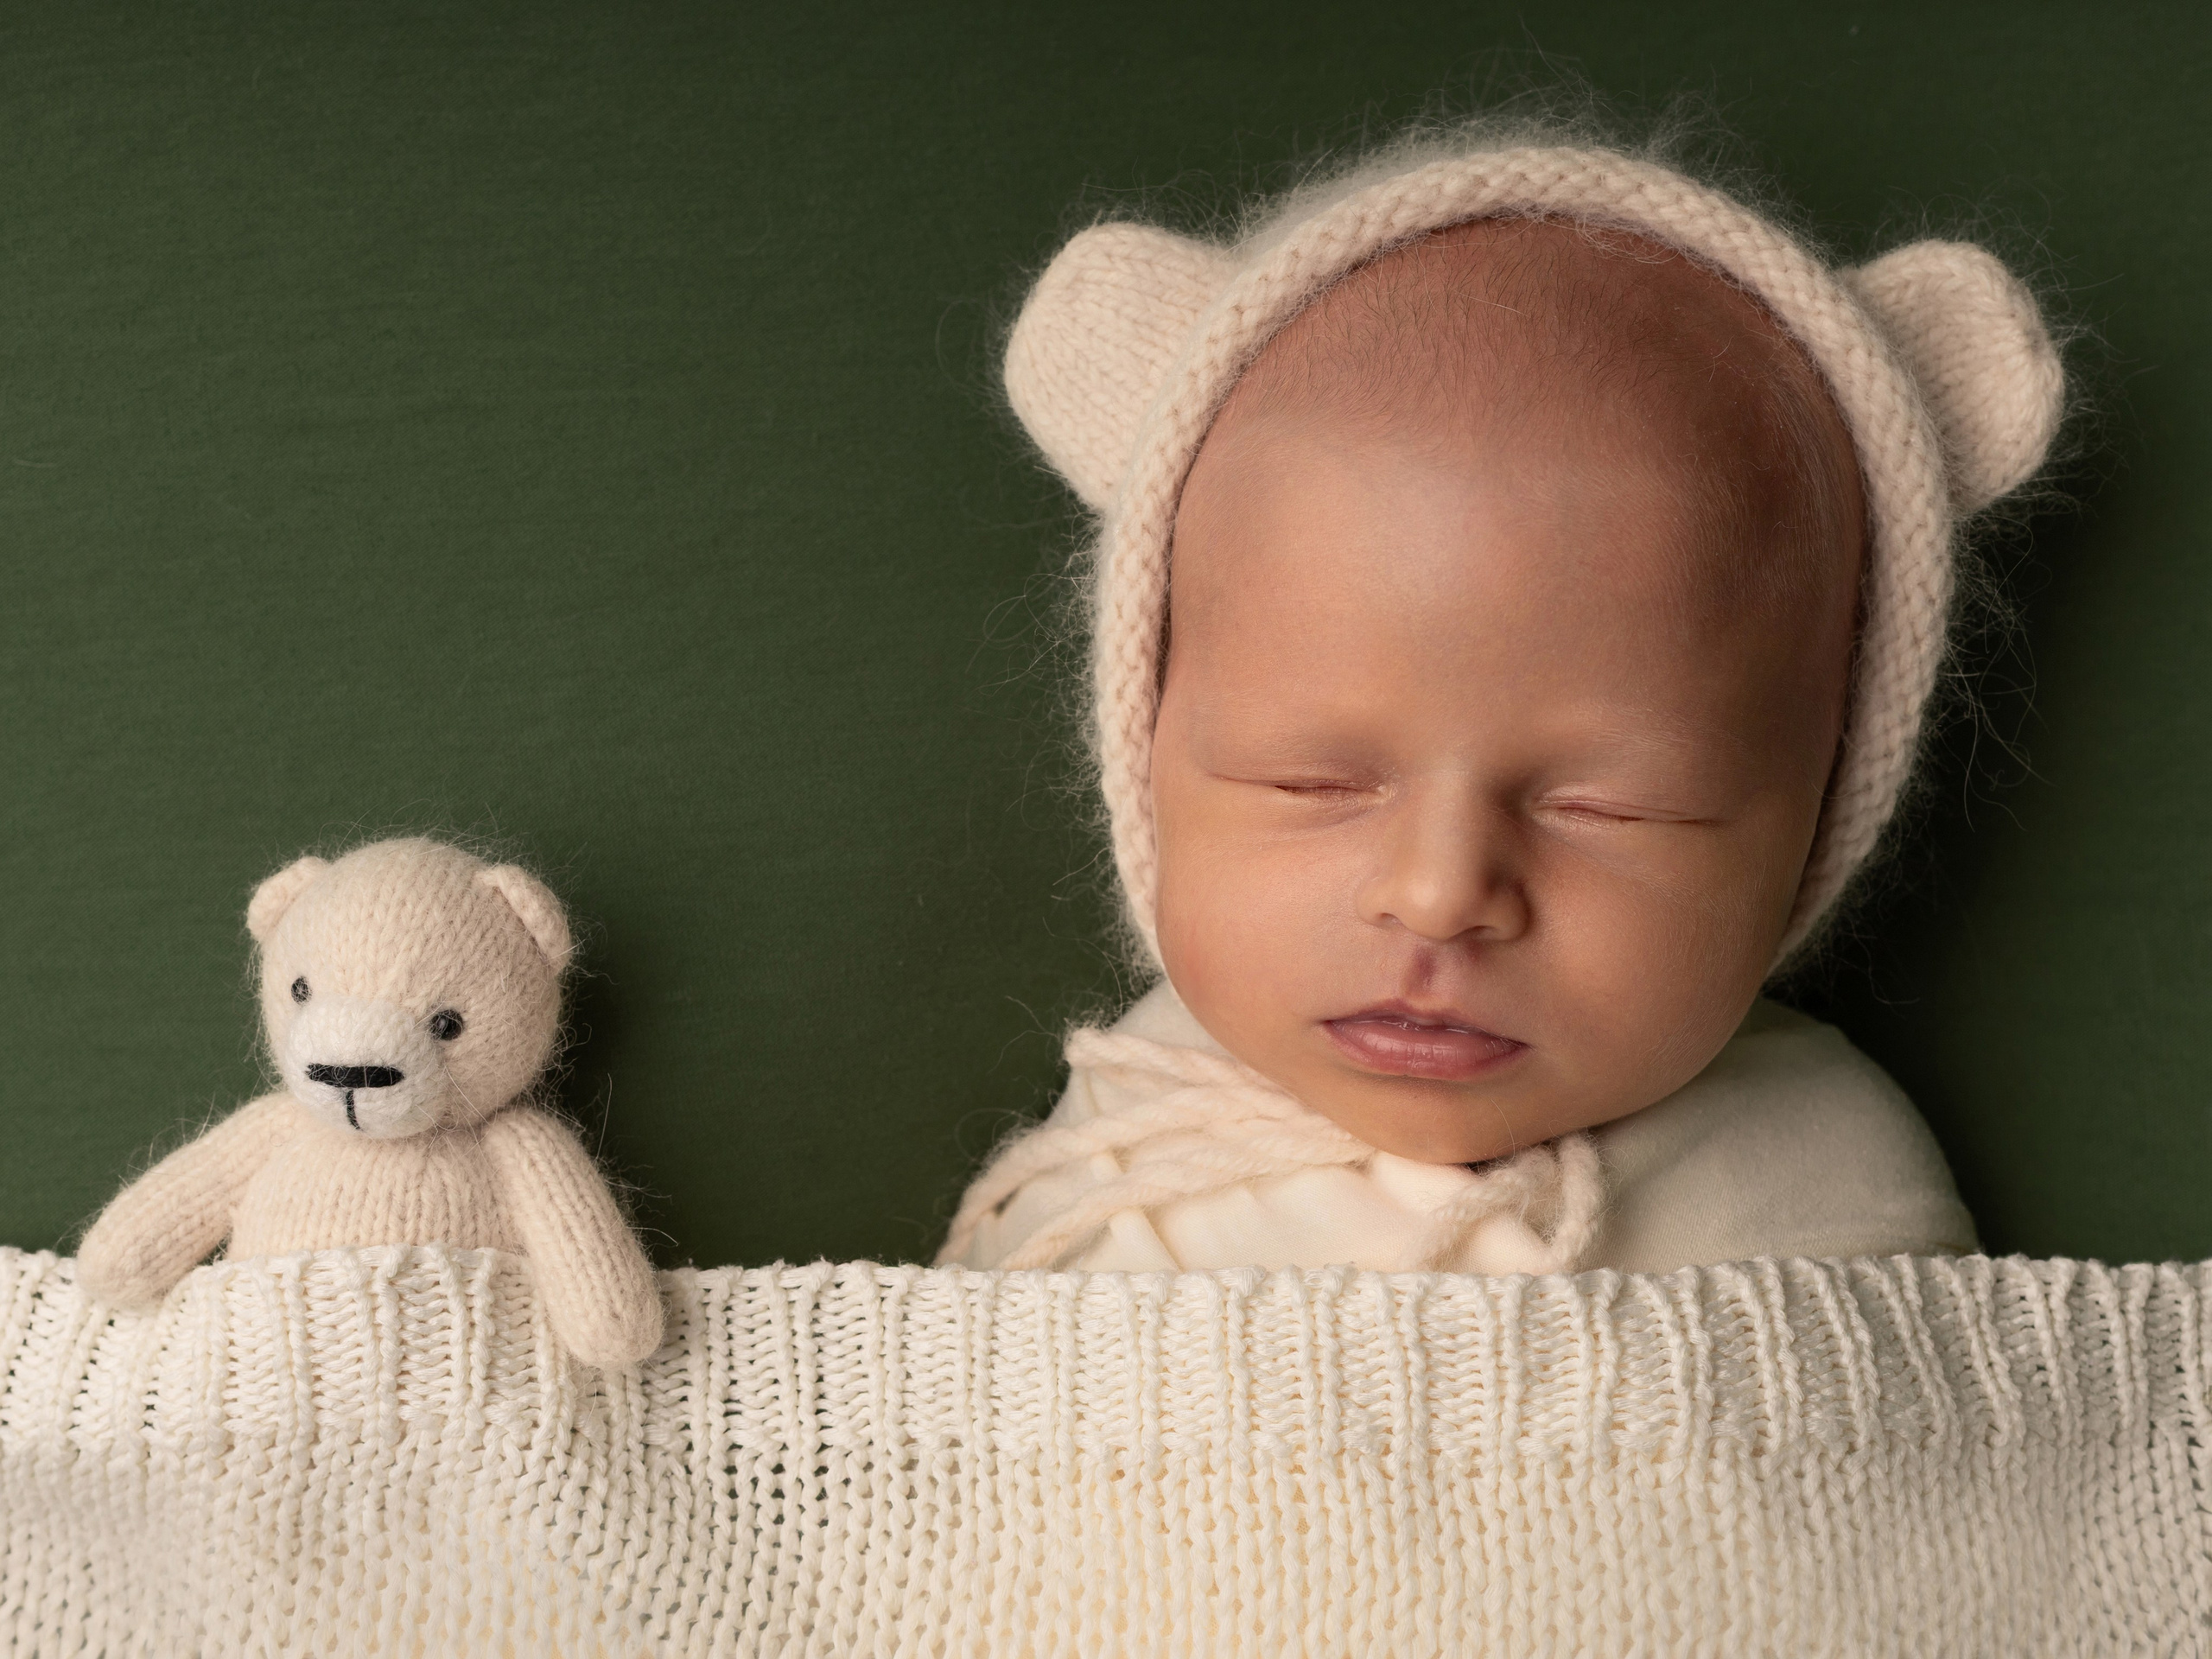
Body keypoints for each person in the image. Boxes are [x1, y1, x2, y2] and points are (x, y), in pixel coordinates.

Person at [942, 126, 2065, 1276]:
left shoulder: (1831, 1194)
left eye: (1617, 807)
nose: (1438, 896)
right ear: (1147, 749)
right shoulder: (1119, 1169)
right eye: (1310, 780)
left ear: (1824, 806)